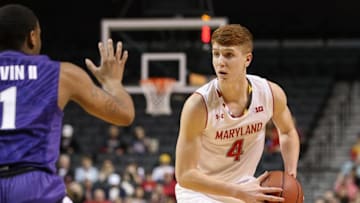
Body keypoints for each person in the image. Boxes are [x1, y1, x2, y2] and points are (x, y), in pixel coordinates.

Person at [0, 4, 135, 203]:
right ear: (32, 37)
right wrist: (113, 83)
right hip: (34, 185)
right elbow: (124, 114)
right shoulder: (61, 74)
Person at [175, 24, 300, 203]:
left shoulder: (270, 94)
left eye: (229, 55)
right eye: (216, 54)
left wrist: (290, 172)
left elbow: (288, 131)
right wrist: (238, 192)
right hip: (199, 191)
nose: (220, 62)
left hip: (243, 186)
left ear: (247, 59)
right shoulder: (198, 106)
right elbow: (185, 175)